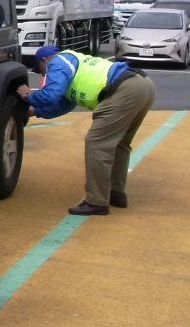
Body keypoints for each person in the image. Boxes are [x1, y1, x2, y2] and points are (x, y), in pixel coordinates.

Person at [16, 44, 155, 216]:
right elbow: (63, 105)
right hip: (143, 85)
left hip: (124, 89)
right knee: (120, 144)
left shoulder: (58, 61)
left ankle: (96, 201)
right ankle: (116, 194)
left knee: (96, 142)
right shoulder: (74, 65)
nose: (45, 75)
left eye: (42, 70)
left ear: (45, 60)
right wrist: (35, 111)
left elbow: (50, 94)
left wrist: (28, 96)